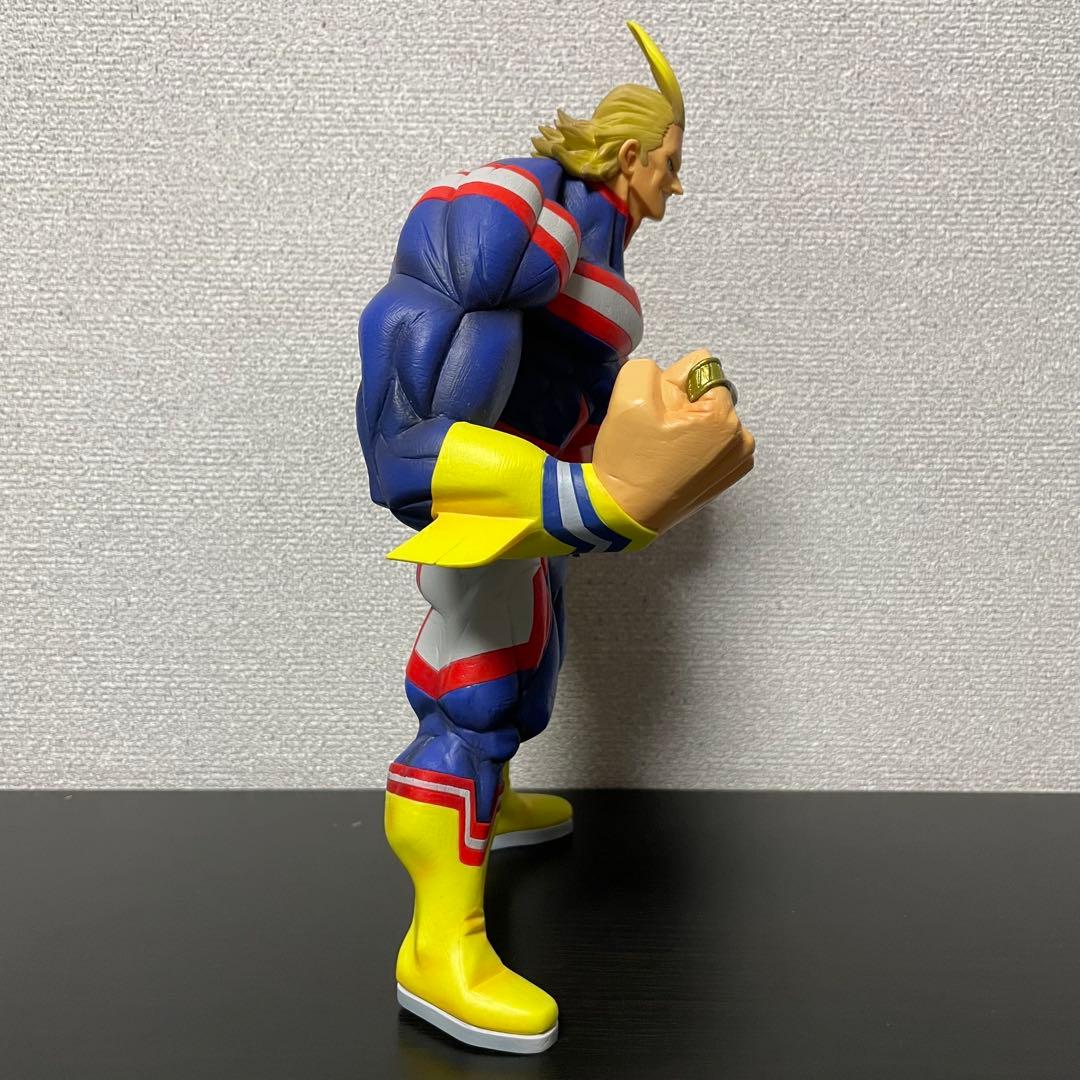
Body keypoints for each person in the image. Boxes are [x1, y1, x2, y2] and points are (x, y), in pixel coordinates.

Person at [355, 21, 755, 1054]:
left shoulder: (598, 247)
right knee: (474, 695)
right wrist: (591, 497)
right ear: (629, 153)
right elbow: (463, 318)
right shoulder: (539, 215)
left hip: (533, 502)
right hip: (482, 490)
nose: (676, 183)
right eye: (669, 161)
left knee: (531, 670)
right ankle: (438, 948)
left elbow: (569, 383)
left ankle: (487, 805)